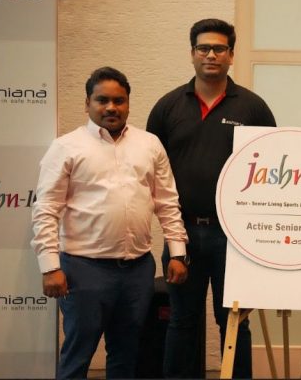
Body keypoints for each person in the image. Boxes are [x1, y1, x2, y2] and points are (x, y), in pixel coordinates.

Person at [31, 66, 189, 379]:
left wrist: (178, 252)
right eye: (102, 100)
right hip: (83, 270)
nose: (111, 107)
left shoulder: (150, 144)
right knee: (78, 355)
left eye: (119, 100)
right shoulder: (66, 147)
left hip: (138, 271)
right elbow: (46, 209)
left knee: (126, 355)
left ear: (128, 103)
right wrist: (49, 267)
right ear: (87, 103)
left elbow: (167, 202)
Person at [147, 18, 276, 378]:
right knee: (181, 321)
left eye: (219, 48)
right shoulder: (168, 107)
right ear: (192, 53)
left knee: (234, 322)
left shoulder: (252, 108)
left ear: (231, 55)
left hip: (233, 236)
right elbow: (152, 169)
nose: (211, 55)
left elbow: (270, 170)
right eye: (203, 48)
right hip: (182, 234)